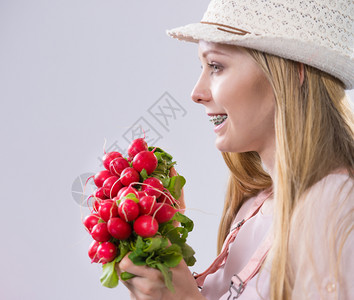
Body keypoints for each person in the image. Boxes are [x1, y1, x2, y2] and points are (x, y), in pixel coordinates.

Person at [116, 0, 354, 299]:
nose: (196, 93)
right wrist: (165, 260)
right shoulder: (255, 207)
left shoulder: (336, 208)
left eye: (216, 66)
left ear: (294, 72)